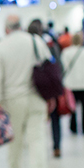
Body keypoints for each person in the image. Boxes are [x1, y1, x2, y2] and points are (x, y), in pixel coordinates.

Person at [0, 14, 50, 168]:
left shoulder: (1, 46)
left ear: (6, 28)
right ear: (20, 26)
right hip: (37, 96)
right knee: (37, 139)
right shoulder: (36, 41)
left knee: (14, 140)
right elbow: (49, 67)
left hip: (13, 100)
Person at [29, 19, 62, 158]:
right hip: (50, 85)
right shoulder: (50, 43)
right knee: (55, 118)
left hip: (34, 88)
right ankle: (56, 146)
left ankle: (38, 148)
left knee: (37, 121)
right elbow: (57, 64)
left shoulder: (28, 45)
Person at [61, 32, 84, 135]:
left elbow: (63, 68)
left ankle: (73, 127)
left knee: (72, 107)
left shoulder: (66, 52)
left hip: (71, 84)